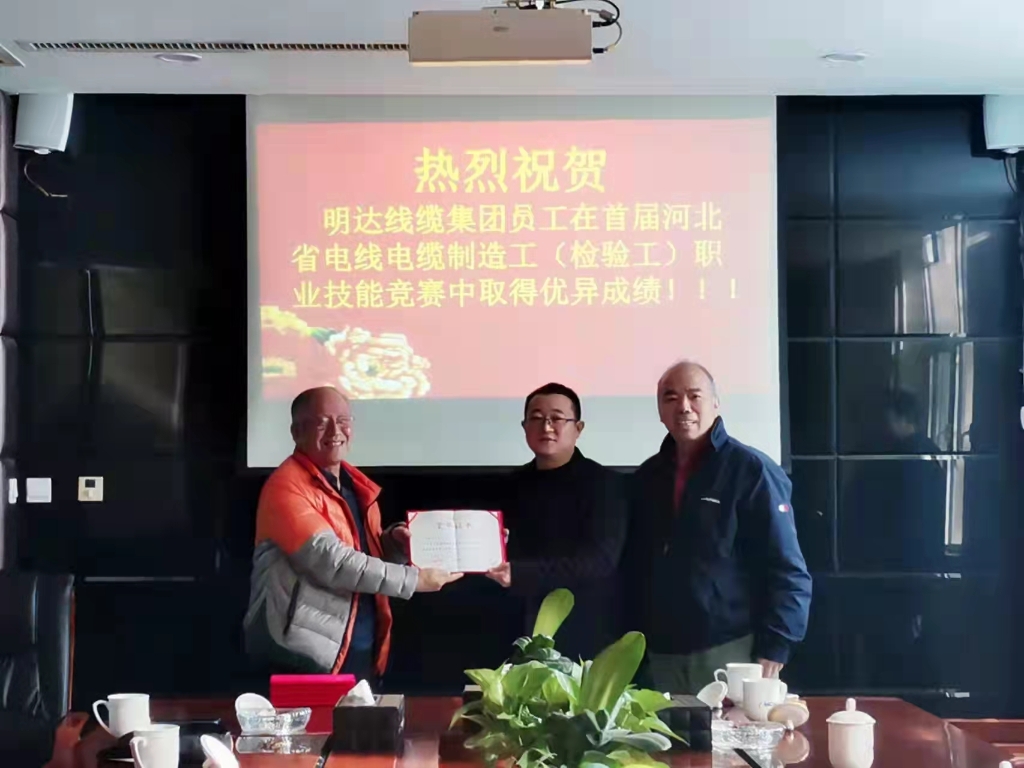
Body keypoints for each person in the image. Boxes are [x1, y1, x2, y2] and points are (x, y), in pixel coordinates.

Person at [244, 386, 462, 682]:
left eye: (343, 420)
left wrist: (393, 544)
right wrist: (414, 580)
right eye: (321, 422)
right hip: (305, 653)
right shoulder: (286, 487)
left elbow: (360, 553)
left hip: (357, 643)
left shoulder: (352, 484)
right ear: (296, 432)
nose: (335, 431)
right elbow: (333, 562)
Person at [626, 361, 812, 694]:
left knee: (728, 731)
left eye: (694, 395)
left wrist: (777, 645)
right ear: (660, 411)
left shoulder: (751, 470)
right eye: (671, 398)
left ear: (715, 403)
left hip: (730, 650)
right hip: (660, 656)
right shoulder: (647, 477)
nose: (684, 406)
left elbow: (788, 569)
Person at [486, 383, 628, 660]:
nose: (546, 427)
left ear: (578, 428)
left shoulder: (605, 485)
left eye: (557, 418)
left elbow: (600, 561)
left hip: (582, 630)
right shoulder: (510, 485)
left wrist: (521, 573)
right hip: (513, 627)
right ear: (524, 427)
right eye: (536, 418)